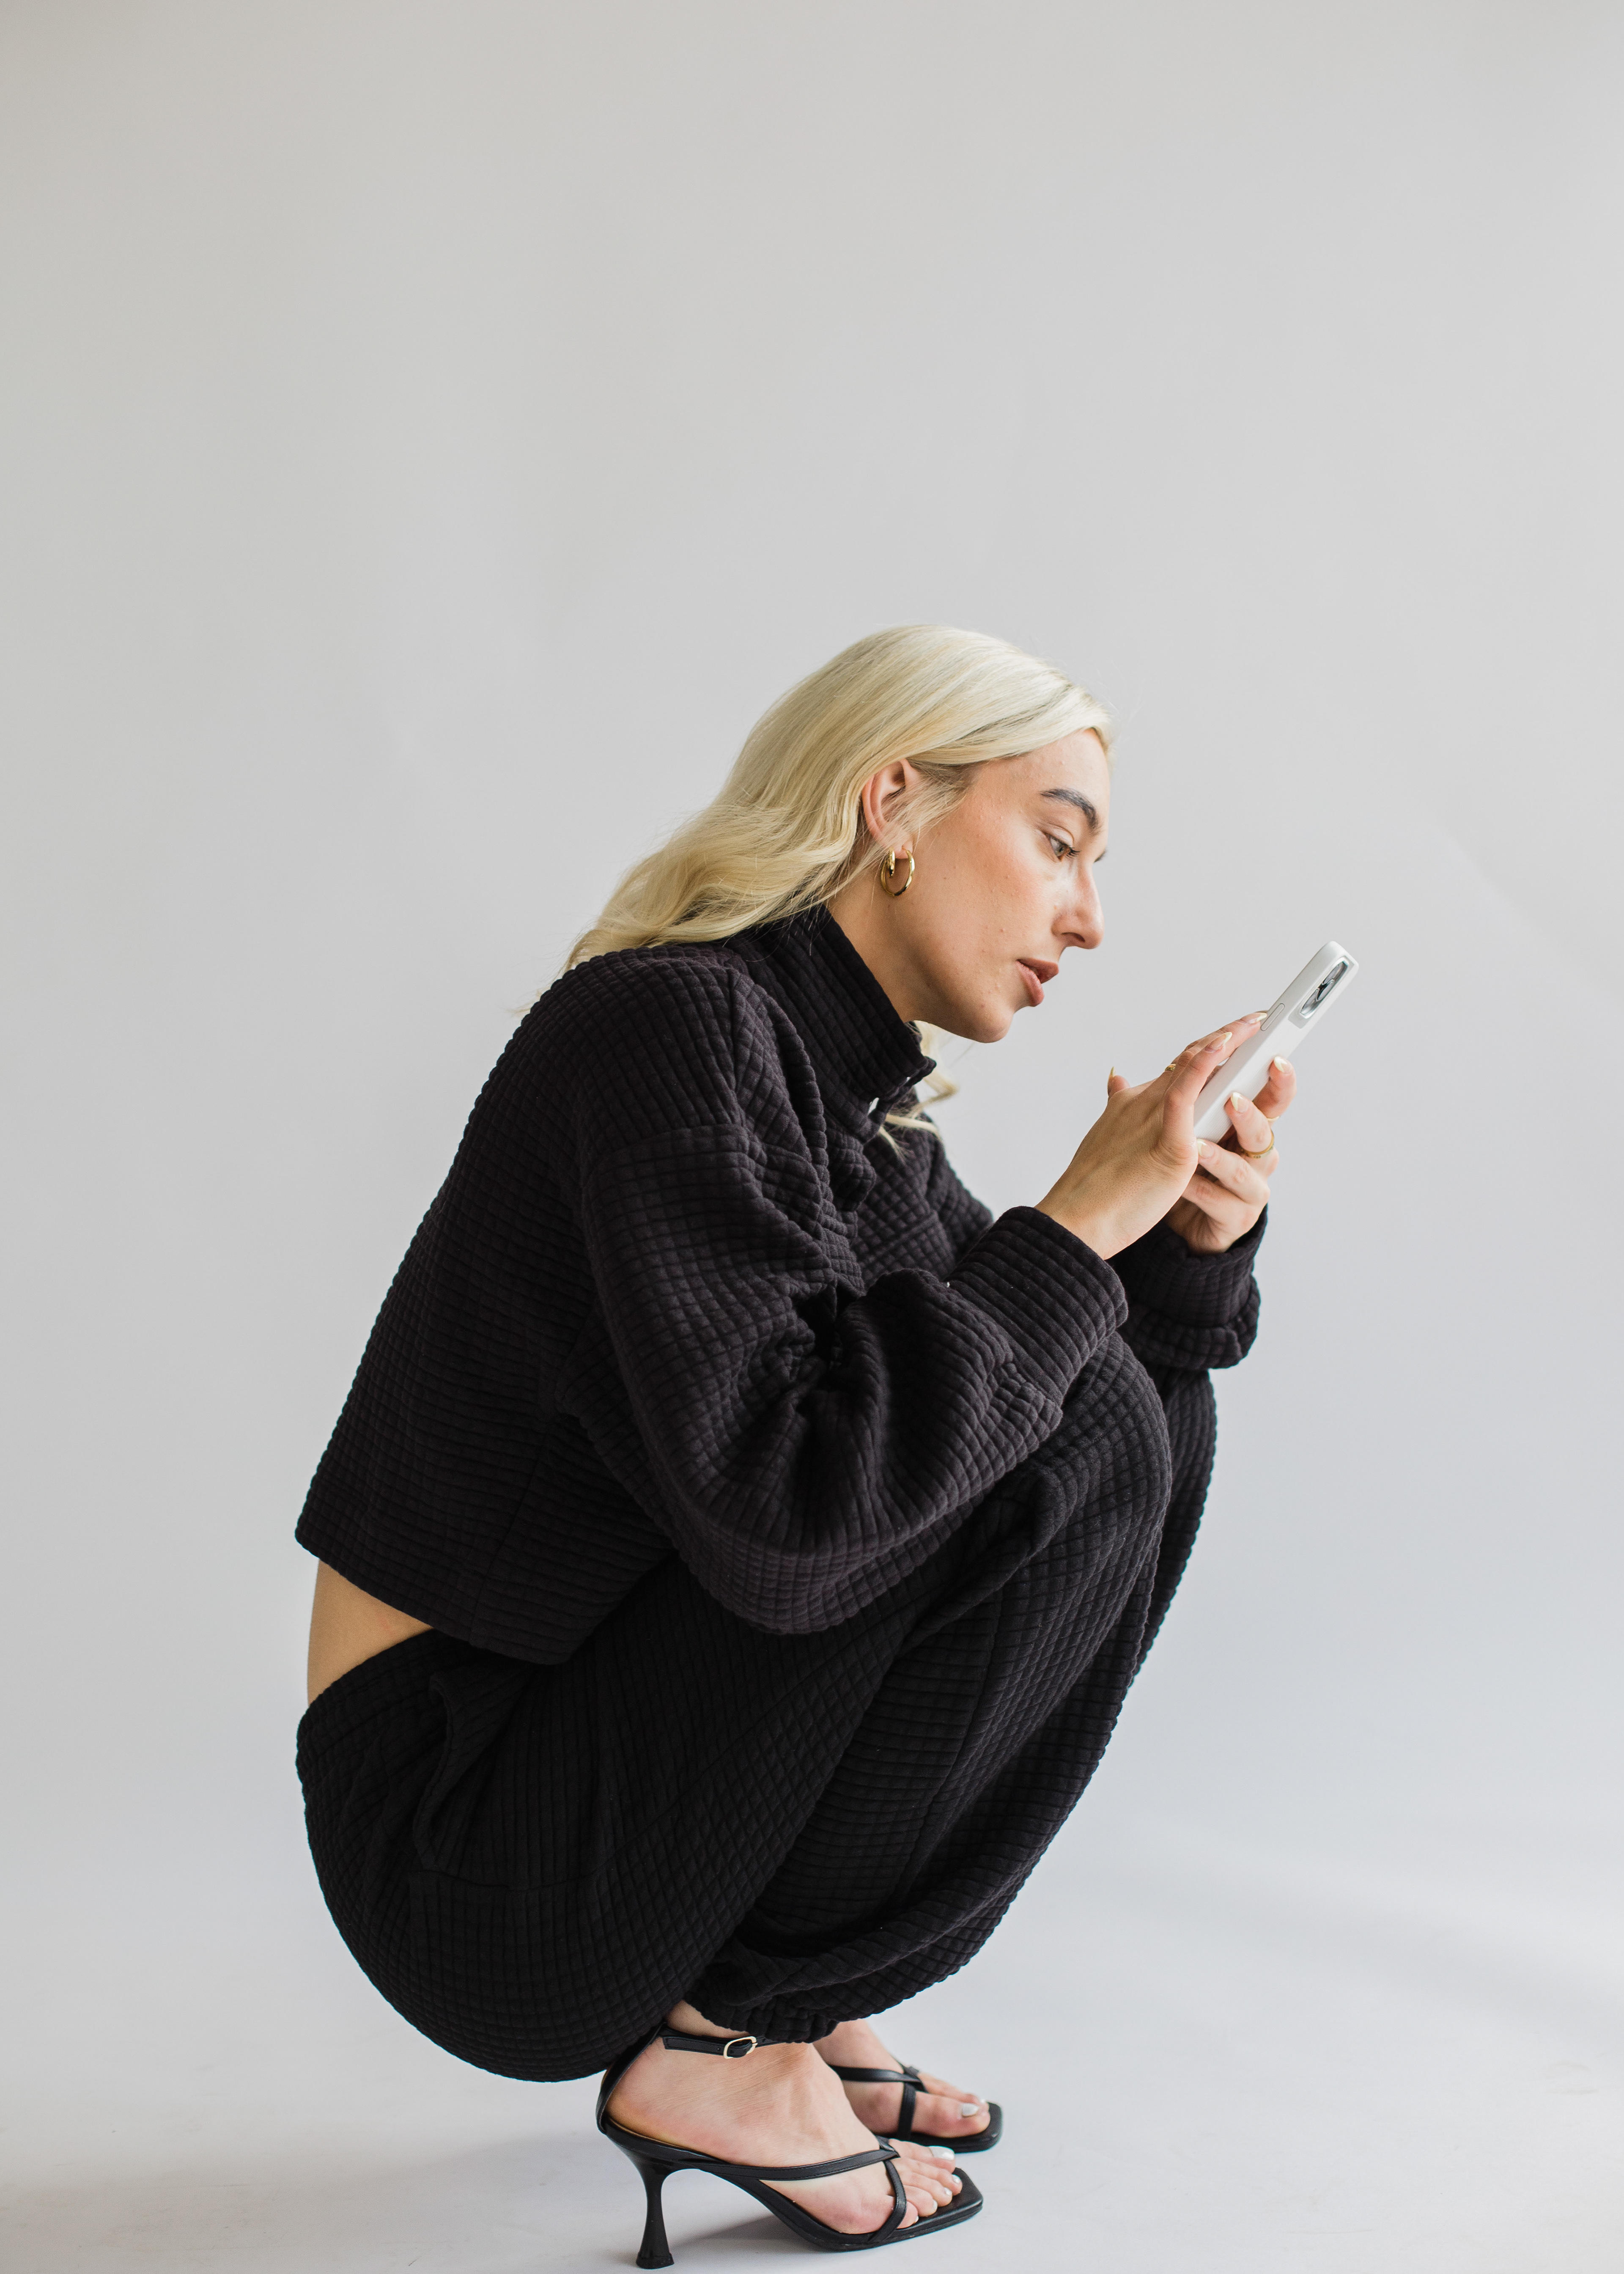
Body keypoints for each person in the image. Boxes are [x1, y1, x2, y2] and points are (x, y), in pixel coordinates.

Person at [296, 624, 1292, 2261]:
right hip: (467, 1839)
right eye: (1059, 842)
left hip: (594, 1780)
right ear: (894, 804)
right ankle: (724, 2046)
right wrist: (1069, 1226)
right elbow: (793, 1517)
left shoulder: (850, 1105)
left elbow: (1064, 1419)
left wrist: (1180, 1246)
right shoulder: (666, 1029)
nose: (1088, 919)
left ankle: (786, 2001)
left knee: (1087, 1414)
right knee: (1017, 1417)